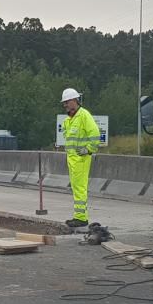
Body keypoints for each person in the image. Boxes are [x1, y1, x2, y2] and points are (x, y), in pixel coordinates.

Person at [60, 88, 100, 228]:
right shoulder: (69, 119)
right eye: (64, 103)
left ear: (74, 100)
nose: (65, 105)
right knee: (76, 188)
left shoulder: (84, 116)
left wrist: (88, 149)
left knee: (80, 188)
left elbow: (95, 134)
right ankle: (79, 216)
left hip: (81, 159)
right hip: (73, 159)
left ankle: (81, 218)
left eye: (67, 102)